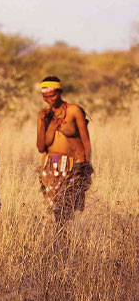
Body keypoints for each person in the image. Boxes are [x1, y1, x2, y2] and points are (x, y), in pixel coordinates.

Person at [36, 76, 92, 221]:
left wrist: (86, 165)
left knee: (67, 208)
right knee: (52, 209)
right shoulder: (44, 115)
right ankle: (58, 239)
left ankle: (66, 239)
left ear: (60, 92)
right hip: (50, 165)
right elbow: (41, 147)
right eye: (45, 96)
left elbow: (85, 140)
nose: (50, 99)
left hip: (72, 164)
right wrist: (43, 123)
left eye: (53, 95)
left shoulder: (74, 110)